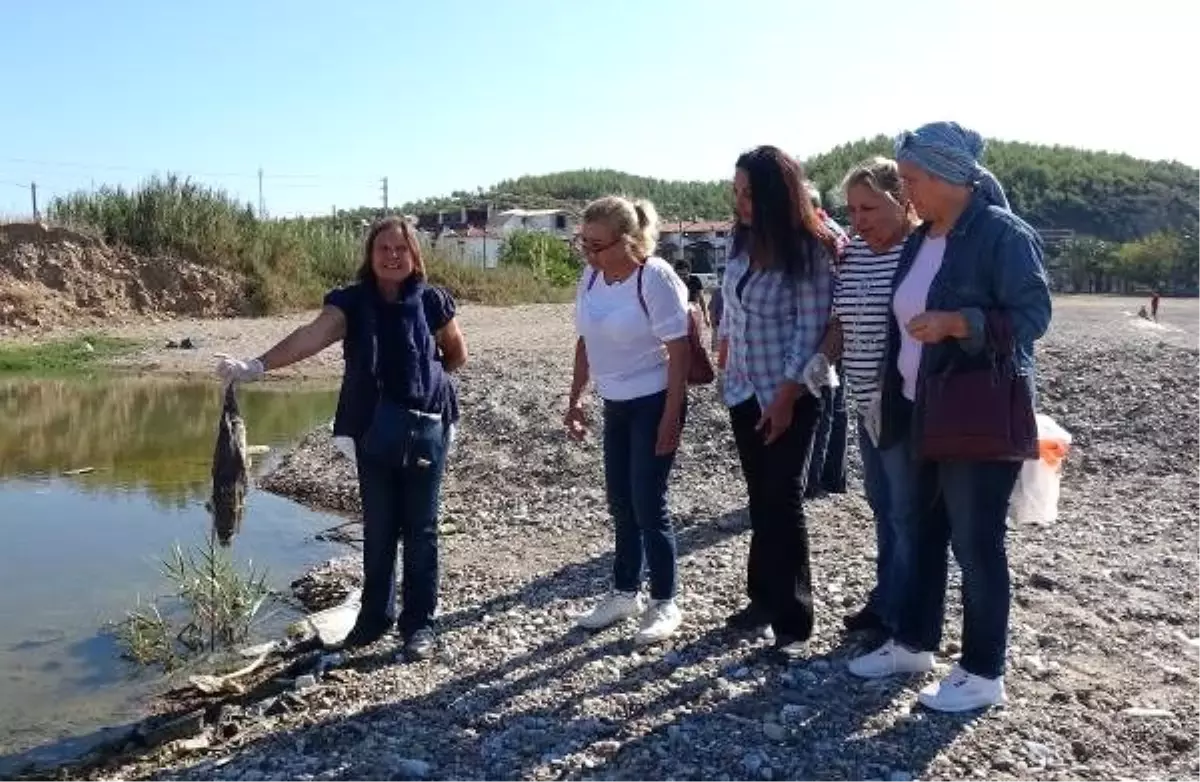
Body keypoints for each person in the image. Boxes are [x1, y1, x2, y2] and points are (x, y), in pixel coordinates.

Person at [847, 122, 1052, 712]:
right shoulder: (924, 236)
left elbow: (1034, 315)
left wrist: (959, 323)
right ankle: (914, 642)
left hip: (974, 411)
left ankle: (984, 671)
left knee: (976, 542)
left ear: (946, 178)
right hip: (918, 405)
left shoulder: (1001, 234)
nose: (905, 190)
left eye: (910, 179)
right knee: (923, 528)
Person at [215, 216, 467, 661]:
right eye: (383, 248)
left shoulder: (432, 301)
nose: (392, 256)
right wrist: (255, 366)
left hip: (428, 428)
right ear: (370, 255)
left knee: (422, 529)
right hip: (371, 430)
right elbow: (309, 337)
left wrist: (425, 388)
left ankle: (420, 627)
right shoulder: (351, 304)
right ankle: (373, 621)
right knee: (380, 526)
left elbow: (455, 353)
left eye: (401, 249)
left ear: (414, 255)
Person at [717, 145, 841, 656]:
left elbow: (810, 329)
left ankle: (794, 616)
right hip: (745, 388)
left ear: (775, 194)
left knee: (782, 496)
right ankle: (762, 597)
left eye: (750, 193)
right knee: (760, 496)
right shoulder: (740, 240)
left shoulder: (810, 249)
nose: (742, 202)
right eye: (737, 192)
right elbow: (730, 306)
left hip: (791, 390)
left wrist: (787, 395)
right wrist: (724, 356)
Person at [565, 196, 692, 646]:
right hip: (615, 402)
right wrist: (576, 398)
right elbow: (586, 341)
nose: (589, 253)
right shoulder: (591, 278)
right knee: (620, 501)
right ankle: (624, 592)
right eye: (583, 243)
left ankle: (664, 601)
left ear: (628, 240)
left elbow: (679, 353)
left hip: (654, 399)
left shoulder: (654, 277)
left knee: (647, 501)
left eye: (597, 245)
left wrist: (672, 416)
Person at [812, 156, 921, 638]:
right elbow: (839, 321)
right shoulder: (853, 254)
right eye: (853, 210)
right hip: (865, 403)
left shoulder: (918, 253)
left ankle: (903, 609)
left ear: (902, 202)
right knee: (881, 501)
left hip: (904, 404)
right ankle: (889, 597)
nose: (858, 221)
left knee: (905, 507)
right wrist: (822, 362)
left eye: (870, 209)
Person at [803, 182, 850, 499]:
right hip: (839, 331)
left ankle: (812, 480)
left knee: (821, 406)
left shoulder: (820, 237)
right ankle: (834, 477)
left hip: (826, 333)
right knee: (837, 403)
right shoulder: (835, 231)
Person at [675, 259, 711, 327]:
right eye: (679, 275)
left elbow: (702, 299)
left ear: (689, 272)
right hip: (679, 314)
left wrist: (706, 316)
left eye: (685, 274)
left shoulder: (695, 280)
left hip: (694, 312)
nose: (682, 277)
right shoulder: (673, 282)